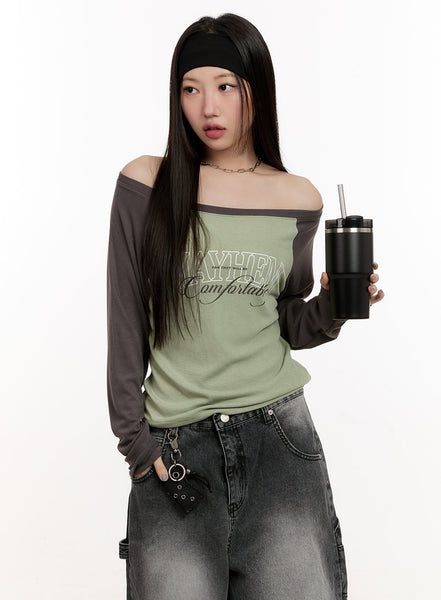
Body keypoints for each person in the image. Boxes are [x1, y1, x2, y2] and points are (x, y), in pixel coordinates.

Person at [106, 12, 384, 600]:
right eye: (190, 89)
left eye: (225, 86)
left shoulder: (296, 198)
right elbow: (125, 322)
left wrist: (335, 304)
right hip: (175, 452)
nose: (207, 107)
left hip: (278, 440)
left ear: (256, 89)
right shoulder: (146, 184)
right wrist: (138, 450)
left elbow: (285, 322)